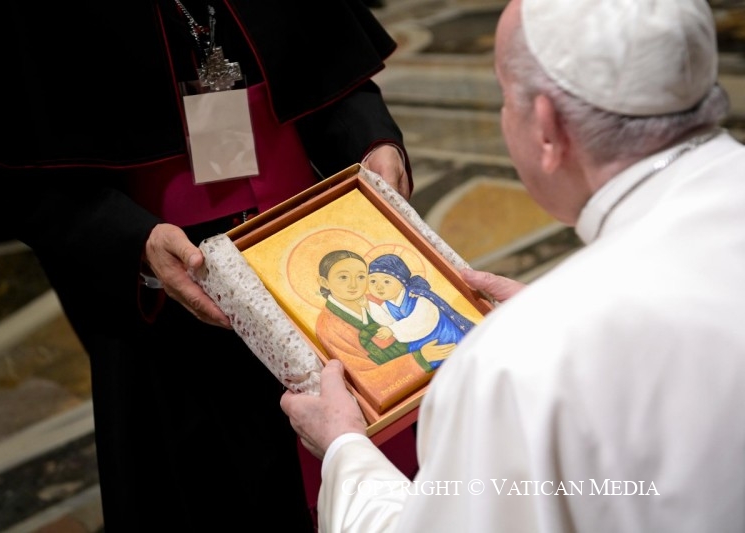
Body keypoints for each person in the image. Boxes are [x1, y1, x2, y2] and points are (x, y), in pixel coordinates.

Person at [0, 0, 417, 530]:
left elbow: (330, 71)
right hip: (168, 309)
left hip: (311, 268)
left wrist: (375, 142)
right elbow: (17, 174)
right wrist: (130, 239)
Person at [280, 0, 745, 531]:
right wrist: (557, 319)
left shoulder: (514, 366)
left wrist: (344, 450)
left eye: (504, 96)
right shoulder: (540, 344)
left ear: (546, 127)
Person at [315, 250, 453, 413]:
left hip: (446, 366)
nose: (354, 285)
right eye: (343, 277)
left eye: (361, 277)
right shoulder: (328, 326)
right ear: (324, 282)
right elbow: (365, 377)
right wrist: (420, 358)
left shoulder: (377, 297)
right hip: (403, 399)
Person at [366, 253, 475, 357]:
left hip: (445, 338)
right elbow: (386, 320)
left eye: (386, 282)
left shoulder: (417, 296)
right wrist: (368, 306)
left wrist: (393, 330)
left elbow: (421, 320)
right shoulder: (387, 305)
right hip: (423, 345)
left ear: (401, 281)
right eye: (373, 281)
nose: (378, 287)